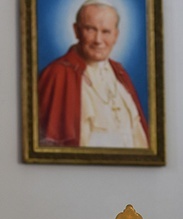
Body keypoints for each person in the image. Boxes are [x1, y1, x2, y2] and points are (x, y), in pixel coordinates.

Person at [37, 0, 149, 148]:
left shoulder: (120, 73)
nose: (98, 40)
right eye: (90, 29)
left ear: (116, 35)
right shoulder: (56, 74)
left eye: (106, 32)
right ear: (76, 31)